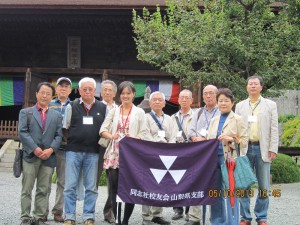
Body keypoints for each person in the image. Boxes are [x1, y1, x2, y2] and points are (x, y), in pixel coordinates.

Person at [100, 81, 148, 225]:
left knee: (129, 189)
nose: (125, 96)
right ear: (119, 95)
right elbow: (102, 130)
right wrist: (112, 136)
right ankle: (118, 220)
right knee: (114, 189)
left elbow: (144, 134)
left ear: (134, 94)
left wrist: (132, 139)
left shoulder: (139, 112)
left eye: (128, 93)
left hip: (131, 155)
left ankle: (125, 220)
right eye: (123, 93)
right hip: (114, 154)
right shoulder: (114, 110)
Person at [63, 77, 107, 225]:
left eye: (90, 89)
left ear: (95, 91)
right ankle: (69, 216)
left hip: (93, 152)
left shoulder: (103, 108)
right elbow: (65, 128)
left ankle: (88, 216)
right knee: (70, 186)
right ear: (79, 90)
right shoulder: (72, 105)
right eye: (84, 89)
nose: (87, 91)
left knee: (91, 187)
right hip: (73, 151)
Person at [236, 75, 278, 225]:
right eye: (250, 84)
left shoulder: (270, 105)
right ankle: (245, 217)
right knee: (243, 184)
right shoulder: (240, 106)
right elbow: (237, 127)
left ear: (261, 87)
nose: (252, 86)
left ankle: (262, 217)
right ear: (246, 87)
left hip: (263, 148)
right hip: (244, 148)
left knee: (264, 185)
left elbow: (274, 128)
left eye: (255, 84)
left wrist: (273, 148)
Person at [19, 82, 63, 225]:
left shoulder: (56, 115)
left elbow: (58, 135)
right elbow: (22, 132)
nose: (45, 96)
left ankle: (38, 217)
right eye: (42, 92)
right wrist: (35, 149)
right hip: (31, 156)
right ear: (36, 94)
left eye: (48, 93)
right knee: (27, 188)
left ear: (52, 96)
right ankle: (25, 217)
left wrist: (51, 149)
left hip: (48, 157)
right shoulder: (26, 112)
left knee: (43, 189)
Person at [207, 88, 248, 225]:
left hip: (230, 159)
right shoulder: (214, 120)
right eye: (220, 101)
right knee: (215, 192)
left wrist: (230, 138)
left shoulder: (238, 119)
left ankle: (232, 221)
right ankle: (217, 221)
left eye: (226, 101)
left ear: (232, 103)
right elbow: (209, 139)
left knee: (231, 193)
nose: (223, 103)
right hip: (214, 159)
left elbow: (244, 141)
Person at [186, 84, 220, 225]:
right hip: (199, 154)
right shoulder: (198, 112)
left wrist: (208, 139)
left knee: (215, 185)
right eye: (205, 93)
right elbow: (190, 131)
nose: (207, 96)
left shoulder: (221, 112)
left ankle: (215, 218)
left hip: (215, 153)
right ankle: (195, 218)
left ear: (217, 95)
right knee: (196, 183)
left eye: (211, 93)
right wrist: (196, 138)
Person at [142, 91, 176, 225]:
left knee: (161, 184)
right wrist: (156, 148)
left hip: (166, 154)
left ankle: (157, 214)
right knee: (148, 184)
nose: (157, 102)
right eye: (154, 100)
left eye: (159, 100)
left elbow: (173, 135)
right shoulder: (145, 117)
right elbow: (145, 134)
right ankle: (146, 216)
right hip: (151, 154)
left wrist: (169, 148)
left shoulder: (169, 118)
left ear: (164, 103)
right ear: (150, 103)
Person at [48, 77, 72, 222]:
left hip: (65, 149)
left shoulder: (75, 105)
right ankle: (42, 210)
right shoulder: (49, 104)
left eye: (66, 86)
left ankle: (58, 211)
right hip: (49, 148)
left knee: (62, 182)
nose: (63, 88)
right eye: (60, 86)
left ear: (70, 90)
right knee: (45, 180)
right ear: (56, 89)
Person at [170, 89, 194, 221]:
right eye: (181, 98)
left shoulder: (196, 116)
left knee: (189, 181)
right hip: (175, 151)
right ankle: (177, 210)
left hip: (190, 152)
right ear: (178, 100)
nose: (184, 100)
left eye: (187, 98)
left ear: (192, 100)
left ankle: (189, 211)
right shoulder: (172, 117)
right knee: (176, 181)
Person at [99, 80, 118, 224]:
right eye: (104, 89)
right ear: (100, 92)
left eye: (110, 90)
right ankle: (88, 213)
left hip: (114, 149)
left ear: (115, 93)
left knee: (113, 182)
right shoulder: (96, 106)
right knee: (92, 181)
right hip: (97, 147)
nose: (107, 92)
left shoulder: (119, 109)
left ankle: (109, 211)